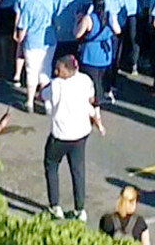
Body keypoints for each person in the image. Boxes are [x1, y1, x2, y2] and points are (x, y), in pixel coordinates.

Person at [42, 53, 103, 221]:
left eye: (59, 69)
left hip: (60, 135)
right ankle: (79, 209)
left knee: (51, 165)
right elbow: (91, 98)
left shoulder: (56, 85)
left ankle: (55, 206)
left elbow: (43, 95)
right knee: (78, 170)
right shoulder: (85, 80)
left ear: (68, 70)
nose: (56, 71)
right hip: (80, 134)